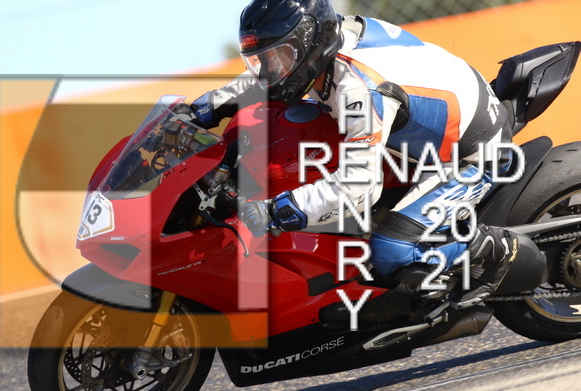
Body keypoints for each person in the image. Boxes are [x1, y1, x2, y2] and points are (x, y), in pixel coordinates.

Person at [190, 0, 518, 309]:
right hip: (429, 123)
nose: (271, 69)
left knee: (392, 251)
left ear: (308, 43)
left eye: (279, 57)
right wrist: (206, 106)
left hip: (471, 154)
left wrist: (277, 211)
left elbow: (358, 187)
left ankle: (491, 248)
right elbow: (268, 75)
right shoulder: (328, 39)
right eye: (262, 59)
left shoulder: (357, 91)